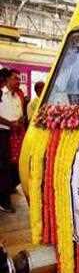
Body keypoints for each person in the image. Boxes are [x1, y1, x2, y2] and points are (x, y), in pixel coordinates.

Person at [0, 69, 26, 212]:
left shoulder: (18, 96)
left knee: (15, 166)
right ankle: (4, 201)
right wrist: (11, 124)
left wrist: (20, 121)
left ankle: (8, 188)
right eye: (15, 78)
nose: (18, 81)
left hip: (16, 134)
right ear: (8, 80)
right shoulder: (1, 94)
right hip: (3, 134)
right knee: (4, 168)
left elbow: (20, 114)